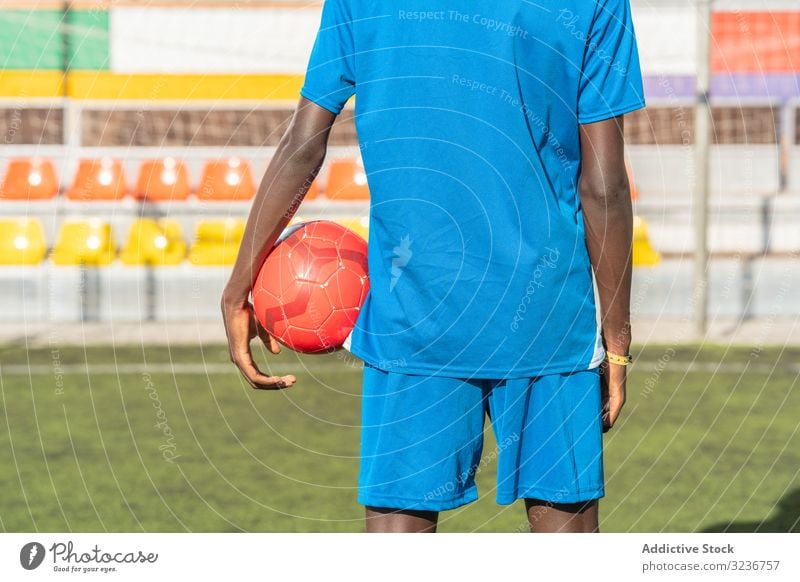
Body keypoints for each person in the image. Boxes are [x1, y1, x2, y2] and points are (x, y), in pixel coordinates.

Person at [222, 0, 645, 533]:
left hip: (414, 312)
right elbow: (604, 186)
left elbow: (303, 146)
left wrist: (240, 284)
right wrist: (616, 340)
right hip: (548, 315)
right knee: (568, 534)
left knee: (399, 529)